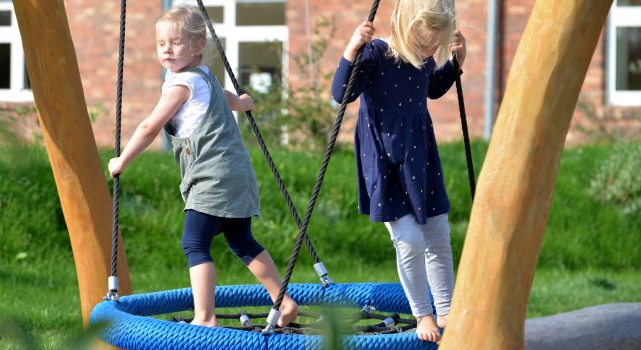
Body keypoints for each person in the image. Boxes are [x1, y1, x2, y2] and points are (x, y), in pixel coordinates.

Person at [107, 5, 297, 328]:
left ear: (197, 47)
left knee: (194, 242)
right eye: (161, 43)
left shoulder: (180, 85)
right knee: (242, 242)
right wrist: (242, 103)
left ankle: (205, 317)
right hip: (238, 175)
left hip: (213, 178)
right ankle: (285, 301)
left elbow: (150, 127)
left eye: (176, 43)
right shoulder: (203, 77)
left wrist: (122, 159)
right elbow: (223, 95)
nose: (167, 49)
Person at [330, 0, 466, 344]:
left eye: (435, 43)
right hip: (385, 161)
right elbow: (341, 93)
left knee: (437, 233)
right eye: (425, 41)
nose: (428, 49)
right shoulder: (376, 54)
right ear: (406, 24)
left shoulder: (425, 56)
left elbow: (431, 88)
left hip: (420, 157)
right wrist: (351, 48)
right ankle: (423, 312)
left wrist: (454, 64)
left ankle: (446, 308)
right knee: (409, 240)